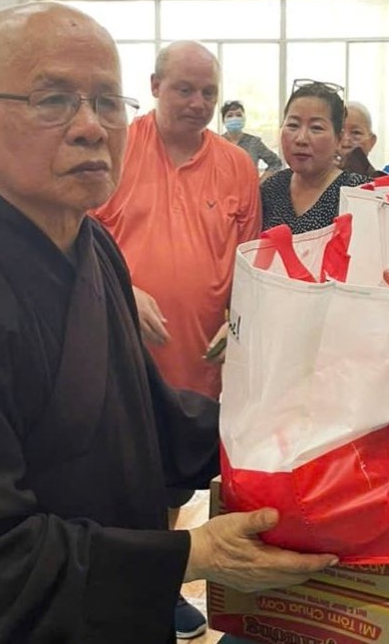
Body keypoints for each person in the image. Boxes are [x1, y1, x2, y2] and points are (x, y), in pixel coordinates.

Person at [0, 2, 336, 644]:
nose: (92, 127)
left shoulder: (93, 248)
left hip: (115, 616)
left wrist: (306, 421)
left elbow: (151, 423)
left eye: (108, 102)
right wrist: (194, 555)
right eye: (52, 100)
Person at [93, 39, 261, 637]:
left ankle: (157, 582)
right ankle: (127, 586)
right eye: (184, 89)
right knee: (119, 476)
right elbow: (76, 236)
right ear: (156, 85)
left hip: (199, 360)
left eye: (208, 92)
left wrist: (238, 317)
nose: (198, 102)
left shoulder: (237, 165)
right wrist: (121, 289)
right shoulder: (114, 148)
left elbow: (249, 259)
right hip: (117, 356)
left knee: (171, 478)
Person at [261, 80, 370, 234]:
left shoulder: (359, 193)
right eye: (293, 125)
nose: (301, 139)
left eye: (316, 128)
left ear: (338, 139)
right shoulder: (271, 189)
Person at [220, 99, 282, 181]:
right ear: (223, 120)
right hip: (222, 192)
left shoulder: (254, 142)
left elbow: (276, 163)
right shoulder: (217, 143)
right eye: (230, 115)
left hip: (249, 192)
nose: (234, 118)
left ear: (244, 119)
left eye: (238, 115)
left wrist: (261, 182)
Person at [338, 101, 380, 176]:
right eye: (339, 132)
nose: (346, 142)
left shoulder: (382, 184)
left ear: (372, 141)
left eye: (356, 133)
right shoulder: (316, 182)